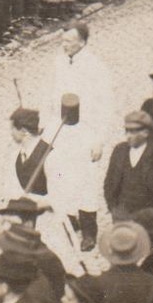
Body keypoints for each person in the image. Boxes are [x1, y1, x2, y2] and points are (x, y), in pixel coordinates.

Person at [44, 23, 114, 252]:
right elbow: (51, 93)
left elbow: (105, 106)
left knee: (86, 179)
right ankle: (68, 218)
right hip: (61, 130)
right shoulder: (58, 62)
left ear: (82, 42)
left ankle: (89, 230)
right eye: (62, 41)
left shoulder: (96, 68)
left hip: (86, 130)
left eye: (69, 41)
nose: (64, 45)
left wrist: (99, 140)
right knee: (62, 175)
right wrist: (46, 128)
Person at [104, 110, 153, 221]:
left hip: (147, 216)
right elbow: (109, 181)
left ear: (145, 133)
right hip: (121, 213)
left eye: (132, 132)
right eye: (126, 131)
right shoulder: (119, 150)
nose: (128, 136)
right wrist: (113, 207)